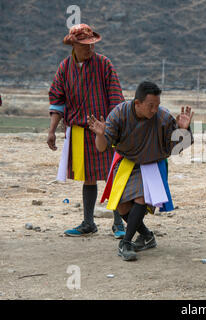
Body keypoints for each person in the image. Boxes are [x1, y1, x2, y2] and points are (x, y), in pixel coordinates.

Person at [88, 81, 194, 261]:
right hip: (127, 162)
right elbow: (101, 147)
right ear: (137, 103)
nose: (154, 110)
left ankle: (126, 243)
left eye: (157, 105)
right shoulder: (119, 114)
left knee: (141, 198)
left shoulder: (164, 118)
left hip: (153, 163)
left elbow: (178, 148)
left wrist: (184, 131)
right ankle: (146, 235)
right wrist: (100, 134)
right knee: (122, 206)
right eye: (150, 106)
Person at [48, 24, 126, 238]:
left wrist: (114, 128)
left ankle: (119, 224)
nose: (90, 48)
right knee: (88, 177)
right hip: (80, 131)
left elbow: (115, 97)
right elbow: (57, 100)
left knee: (113, 174)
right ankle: (88, 223)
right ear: (73, 45)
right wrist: (52, 130)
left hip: (105, 129)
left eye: (92, 44)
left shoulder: (104, 64)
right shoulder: (65, 68)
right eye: (85, 45)